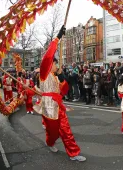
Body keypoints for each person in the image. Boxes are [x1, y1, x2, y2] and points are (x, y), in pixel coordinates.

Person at [33, 25, 86, 162]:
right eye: (56, 64)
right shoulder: (44, 73)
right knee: (53, 133)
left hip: (59, 106)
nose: (58, 67)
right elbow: (47, 56)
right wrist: (57, 37)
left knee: (66, 130)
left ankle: (73, 153)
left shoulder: (56, 76)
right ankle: (50, 142)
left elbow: (64, 91)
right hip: (49, 108)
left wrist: (63, 78)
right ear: (50, 65)